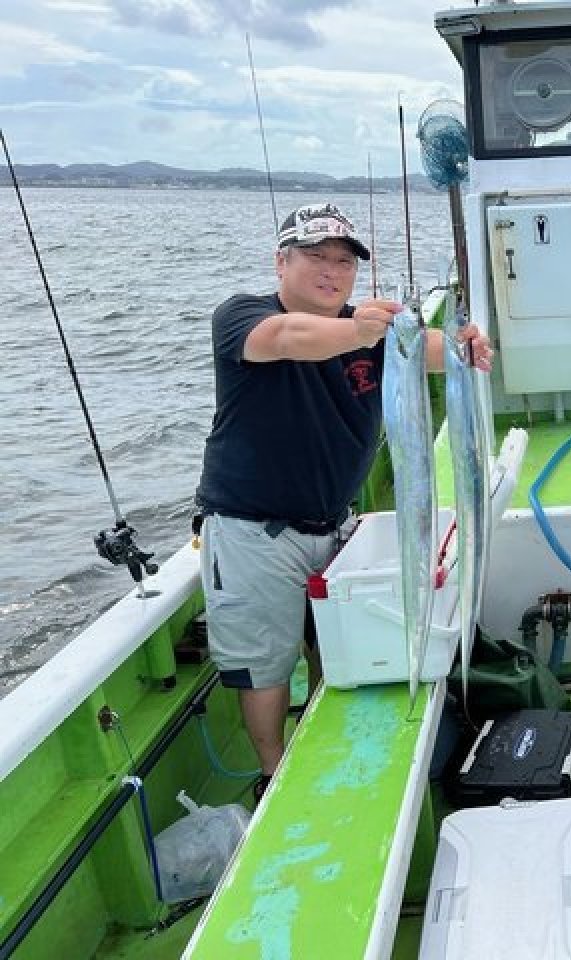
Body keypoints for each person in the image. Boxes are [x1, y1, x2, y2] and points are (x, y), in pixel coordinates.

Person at [194, 202, 491, 802]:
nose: (332, 270)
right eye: (316, 257)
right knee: (266, 665)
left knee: (333, 648)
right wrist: (361, 331)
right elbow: (285, 339)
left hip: (335, 527)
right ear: (281, 262)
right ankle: (273, 773)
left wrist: (467, 344)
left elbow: (431, 349)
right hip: (254, 531)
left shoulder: (369, 333)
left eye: (343, 261)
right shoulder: (243, 315)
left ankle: (327, 747)